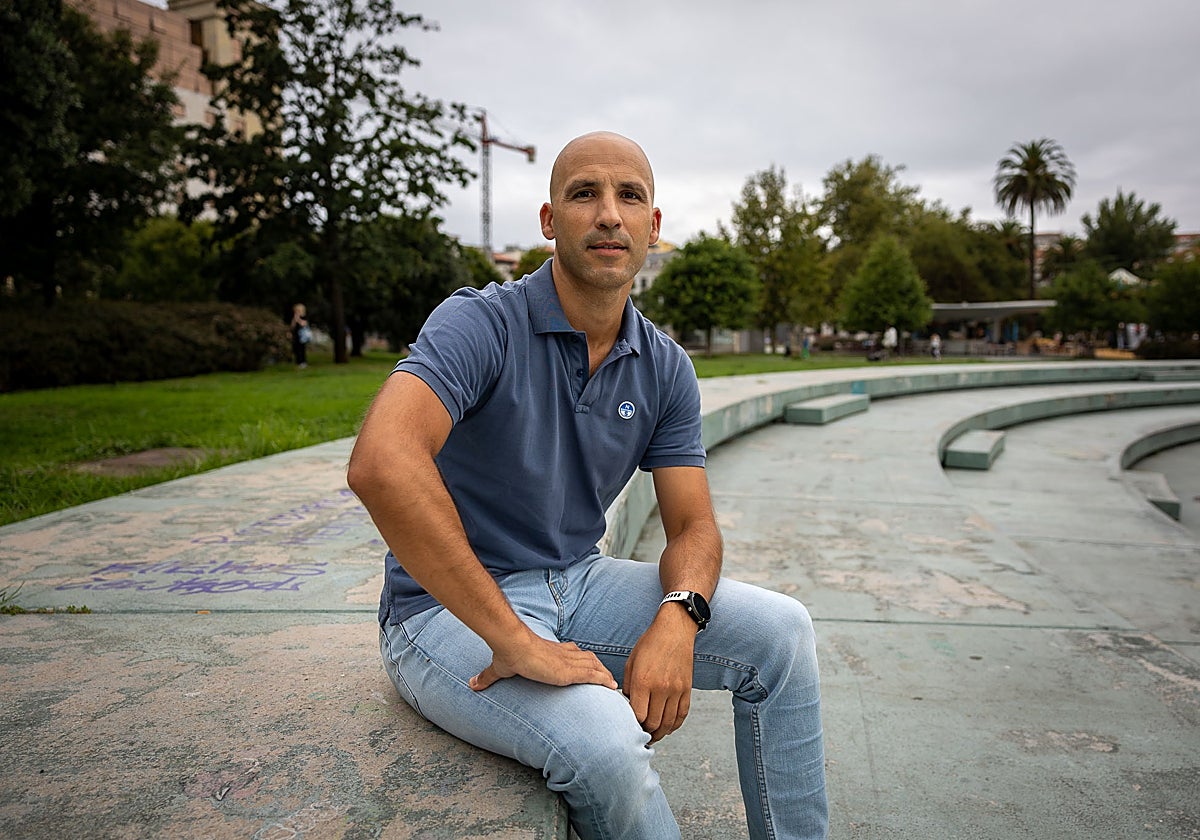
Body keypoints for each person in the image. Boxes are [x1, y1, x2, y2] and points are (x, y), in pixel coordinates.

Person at [347, 131, 827, 840]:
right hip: (442, 614)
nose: (609, 214)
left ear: (653, 228)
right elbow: (381, 461)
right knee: (606, 742)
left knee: (784, 634)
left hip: (578, 580)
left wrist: (679, 614)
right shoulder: (482, 322)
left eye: (629, 196)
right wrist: (511, 635)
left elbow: (693, 526)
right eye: (585, 194)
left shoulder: (664, 367)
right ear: (549, 221)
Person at [290, 303, 310, 368]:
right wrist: (294, 319)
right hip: (296, 335)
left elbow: (304, 324)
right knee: (296, 349)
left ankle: (303, 362)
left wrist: (298, 319)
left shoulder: (304, 317)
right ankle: (298, 362)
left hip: (302, 336)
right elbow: (292, 326)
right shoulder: (294, 318)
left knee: (301, 349)